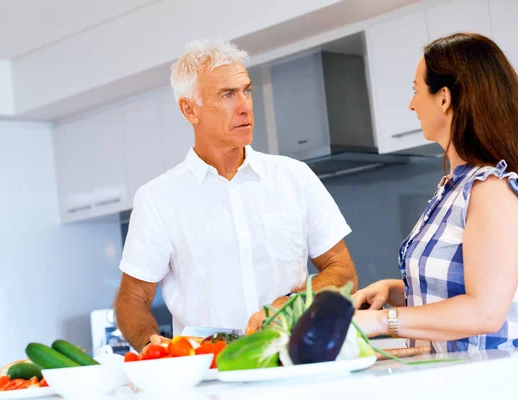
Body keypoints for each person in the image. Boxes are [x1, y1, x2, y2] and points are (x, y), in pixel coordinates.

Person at [114, 40, 357, 353]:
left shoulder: (295, 177)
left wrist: (289, 303)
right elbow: (132, 299)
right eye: (227, 95)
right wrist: (153, 347)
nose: (245, 106)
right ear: (189, 109)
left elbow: (343, 271)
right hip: (208, 373)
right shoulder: (158, 199)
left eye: (247, 91)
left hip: (296, 360)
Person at [353, 32, 518, 352]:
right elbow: (453, 288)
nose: (411, 104)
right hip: (450, 377)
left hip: (493, 382)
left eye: (416, 90)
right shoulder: (455, 186)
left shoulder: (493, 189)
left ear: (444, 98)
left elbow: (485, 312)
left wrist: (383, 321)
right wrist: (391, 291)